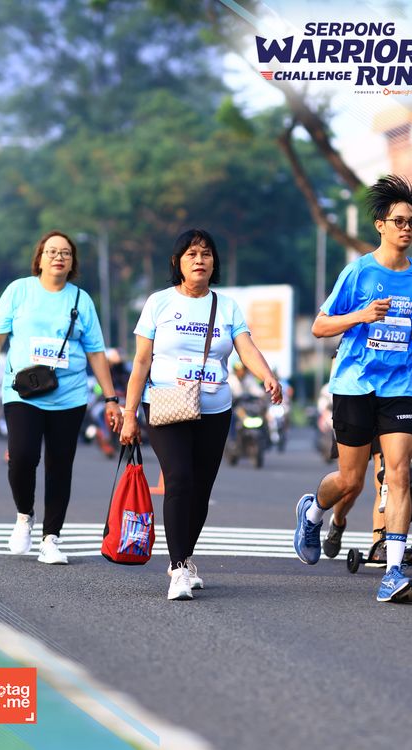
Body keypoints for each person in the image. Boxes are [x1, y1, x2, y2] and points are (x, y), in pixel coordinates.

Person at [293, 175, 412, 603]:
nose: (407, 228)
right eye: (399, 221)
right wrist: (360, 315)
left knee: (398, 474)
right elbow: (321, 326)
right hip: (355, 384)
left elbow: (404, 321)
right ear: (380, 225)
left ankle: (393, 572)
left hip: (398, 385)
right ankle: (313, 511)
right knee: (350, 480)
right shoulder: (359, 271)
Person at [120, 228, 282, 601]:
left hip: (214, 407)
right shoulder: (159, 302)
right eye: (191, 254)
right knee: (178, 478)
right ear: (177, 262)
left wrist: (267, 376)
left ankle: (186, 556)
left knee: (200, 488)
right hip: (166, 403)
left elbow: (245, 347)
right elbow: (141, 361)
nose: (199, 260)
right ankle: (178, 568)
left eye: (206, 254)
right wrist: (129, 413)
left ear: (214, 263)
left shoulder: (226, 306)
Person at [0, 231, 123, 564]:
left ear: (72, 263)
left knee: (60, 465)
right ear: (40, 258)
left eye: (66, 253)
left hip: (69, 395)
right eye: (52, 251)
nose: (59, 257)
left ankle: (51, 538)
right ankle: (24, 515)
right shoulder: (19, 291)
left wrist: (111, 399)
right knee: (22, 456)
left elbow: (96, 352)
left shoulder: (81, 300)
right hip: (23, 392)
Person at [323, 355, 412, 564]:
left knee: (387, 480)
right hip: (356, 402)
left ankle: (380, 546)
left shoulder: (402, 336)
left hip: (390, 405)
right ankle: (338, 521)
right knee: (352, 484)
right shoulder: (353, 338)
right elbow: (337, 371)